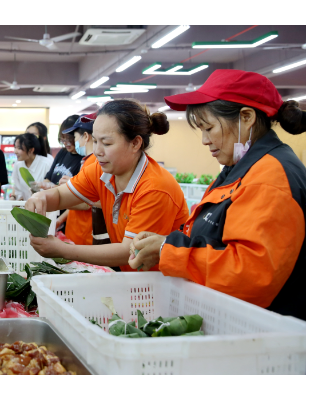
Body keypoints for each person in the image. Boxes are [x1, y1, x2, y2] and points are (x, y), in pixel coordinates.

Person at [128, 70, 307, 320]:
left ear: (246, 117)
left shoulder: (270, 177)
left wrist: (168, 251)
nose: (204, 140)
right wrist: (166, 242)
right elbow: (216, 240)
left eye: (209, 127)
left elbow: (251, 276)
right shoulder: (239, 169)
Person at [25, 99, 189, 270]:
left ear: (135, 143)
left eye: (107, 143)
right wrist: (41, 197)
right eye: (95, 141)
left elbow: (129, 252)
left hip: (164, 283)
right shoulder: (102, 170)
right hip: (134, 280)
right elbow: (60, 196)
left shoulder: (155, 188)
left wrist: (64, 250)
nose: (97, 151)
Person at [57, 113, 107, 246]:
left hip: (84, 235)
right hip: (77, 233)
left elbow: (87, 201)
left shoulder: (94, 163)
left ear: (85, 136)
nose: (75, 141)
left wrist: (57, 196)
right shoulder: (87, 161)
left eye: (75, 137)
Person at [38, 115, 83, 231]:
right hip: (53, 211)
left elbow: (82, 200)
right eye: (63, 139)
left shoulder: (83, 160)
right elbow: (48, 178)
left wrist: (59, 221)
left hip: (70, 218)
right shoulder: (62, 153)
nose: (66, 143)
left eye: (70, 139)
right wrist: (41, 187)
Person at [10, 133, 53, 201]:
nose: (15, 151)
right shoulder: (18, 165)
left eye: (19, 148)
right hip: (26, 208)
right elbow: (18, 189)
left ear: (31, 150)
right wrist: (17, 198)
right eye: (15, 147)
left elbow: (53, 188)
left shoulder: (46, 164)